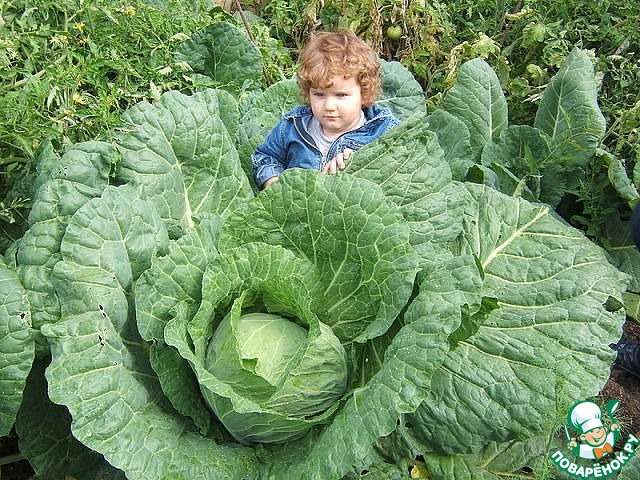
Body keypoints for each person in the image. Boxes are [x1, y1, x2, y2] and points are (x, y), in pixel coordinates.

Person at [252, 30, 400, 189]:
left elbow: (401, 176)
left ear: (364, 94)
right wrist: (277, 187)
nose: (329, 106)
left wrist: (361, 164)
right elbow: (266, 157)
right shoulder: (292, 126)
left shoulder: (383, 133)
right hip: (296, 211)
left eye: (341, 95)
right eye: (319, 95)